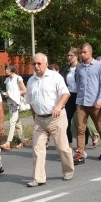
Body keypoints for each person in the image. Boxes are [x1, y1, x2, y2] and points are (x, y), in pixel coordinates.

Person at [25, 53, 74, 186]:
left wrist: (58, 106)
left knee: (62, 147)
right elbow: (30, 102)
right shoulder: (31, 81)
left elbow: (65, 94)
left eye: (39, 63)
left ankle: (68, 170)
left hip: (56, 118)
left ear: (46, 64)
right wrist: (35, 117)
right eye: (34, 64)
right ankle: (38, 178)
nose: (36, 66)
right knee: (37, 148)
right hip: (40, 120)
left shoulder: (55, 77)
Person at [73, 43, 101, 164]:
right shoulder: (79, 67)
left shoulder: (99, 66)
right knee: (80, 129)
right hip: (81, 102)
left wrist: (100, 100)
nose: (82, 55)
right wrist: (79, 99)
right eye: (81, 53)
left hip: (95, 103)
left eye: (84, 52)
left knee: (100, 128)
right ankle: (80, 154)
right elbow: (78, 83)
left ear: (90, 52)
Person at [0, 64, 27, 150]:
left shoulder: (18, 78)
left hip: (16, 103)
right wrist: (7, 94)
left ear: (12, 69)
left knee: (12, 122)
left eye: (7, 69)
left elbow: (24, 90)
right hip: (10, 103)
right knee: (17, 123)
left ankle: (8, 142)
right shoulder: (7, 80)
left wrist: (12, 94)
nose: (6, 71)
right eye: (6, 69)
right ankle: (23, 141)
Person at [64, 48, 80, 146]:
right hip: (69, 96)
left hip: (79, 96)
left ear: (77, 56)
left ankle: (82, 147)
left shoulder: (81, 68)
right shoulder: (67, 69)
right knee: (66, 121)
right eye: (68, 55)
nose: (69, 57)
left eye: (71, 55)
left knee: (80, 123)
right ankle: (69, 146)